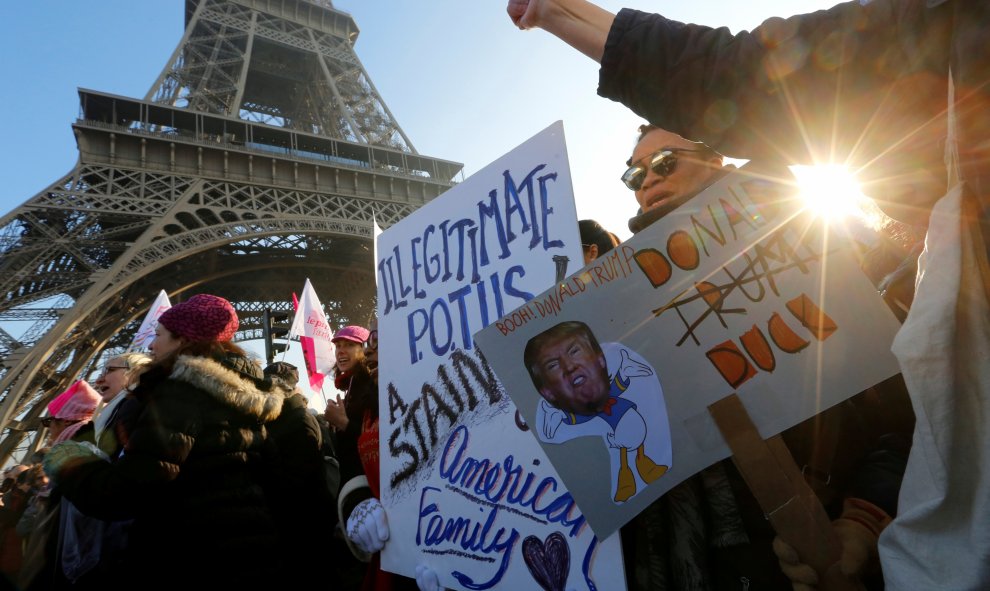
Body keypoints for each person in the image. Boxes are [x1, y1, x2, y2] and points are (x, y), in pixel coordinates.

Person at [507, 1, 990, 588]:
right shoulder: (605, 319)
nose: (650, 178)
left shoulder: (812, 251)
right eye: (635, 174)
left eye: (664, 160)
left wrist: (862, 523)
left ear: (719, 157)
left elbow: (906, 411)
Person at [42, 294, 285, 590]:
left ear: (182, 339)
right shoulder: (250, 402)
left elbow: (131, 490)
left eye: (158, 335)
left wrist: (69, 462)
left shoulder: (179, 392)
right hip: (249, 552)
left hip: (186, 554)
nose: (151, 345)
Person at [524, 320, 670, 502]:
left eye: (574, 351)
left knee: (636, 438)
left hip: (631, 422)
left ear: (600, 359)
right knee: (624, 447)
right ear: (548, 392)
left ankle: (645, 465)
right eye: (553, 365)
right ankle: (625, 479)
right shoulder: (573, 442)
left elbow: (619, 385)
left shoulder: (639, 387)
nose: (569, 367)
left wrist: (626, 372)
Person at [324, 324, 417, 591]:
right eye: (338, 345)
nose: (341, 351)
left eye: (350, 345)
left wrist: (343, 424)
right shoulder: (359, 388)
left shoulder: (371, 387)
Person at [260, 361, 338, 589]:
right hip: (300, 526)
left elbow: (296, 483)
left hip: (303, 529)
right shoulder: (287, 419)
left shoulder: (299, 421)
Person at [92, 352, 151, 459]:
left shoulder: (136, 407)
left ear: (135, 371)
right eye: (101, 373)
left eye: (109, 370)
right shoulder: (120, 408)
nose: (98, 380)